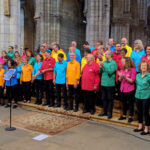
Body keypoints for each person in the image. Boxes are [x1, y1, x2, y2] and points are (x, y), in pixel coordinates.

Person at [98, 51, 117, 119]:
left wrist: (103, 65)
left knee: (110, 99)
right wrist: (100, 67)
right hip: (103, 83)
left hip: (110, 84)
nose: (105, 55)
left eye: (106, 54)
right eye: (105, 54)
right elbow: (100, 72)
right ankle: (105, 111)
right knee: (104, 98)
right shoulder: (104, 62)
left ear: (110, 55)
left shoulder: (113, 63)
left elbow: (110, 71)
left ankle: (110, 113)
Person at [133, 60, 150, 135]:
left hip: (146, 96)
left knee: (145, 112)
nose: (143, 67)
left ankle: (146, 128)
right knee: (139, 111)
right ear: (140, 67)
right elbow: (136, 85)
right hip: (137, 95)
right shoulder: (137, 76)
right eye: (142, 66)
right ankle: (140, 126)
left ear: (147, 67)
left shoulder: (149, 76)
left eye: (145, 66)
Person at [118, 57, 136, 122]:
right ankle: (124, 115)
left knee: (130, 103)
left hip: (130, 89)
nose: (122, 63)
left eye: (123, 62)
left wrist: (124, 77)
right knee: (123, 103)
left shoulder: (133, 70)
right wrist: (120, 77)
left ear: (127, 62)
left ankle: (131, 116)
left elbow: (132, 81)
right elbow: (119, 80)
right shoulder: (122, 69)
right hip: (122, 89)